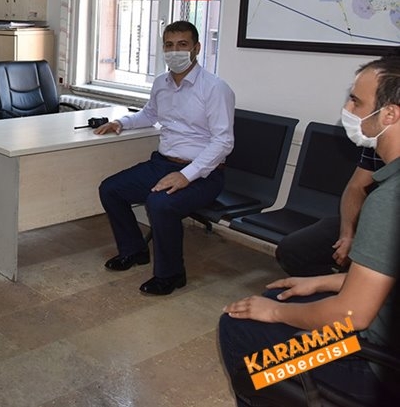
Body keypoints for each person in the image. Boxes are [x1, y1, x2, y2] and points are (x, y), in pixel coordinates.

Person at [218, 53, 400, 405]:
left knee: (240, 327)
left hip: (370, 363)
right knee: (290, 296)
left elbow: (351, 316)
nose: (347, 109)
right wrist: (324, 282)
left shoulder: (389, 200)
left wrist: (275, 313)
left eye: (356, 101)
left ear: (389, 114)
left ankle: (269, 387)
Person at [94, 21, 235, 295]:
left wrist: (186, 176)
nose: (175, 51)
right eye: (169, 45)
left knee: (160, 204)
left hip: (204, 174)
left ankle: (171, 274)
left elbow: (223, 141)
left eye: (182, 44)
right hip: (162, 163)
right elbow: (150, 114)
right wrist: (121, 122)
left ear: (196, 48)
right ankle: (134, 250)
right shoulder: (161, 83)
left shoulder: (215, 88)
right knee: (110, 189)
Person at [275, 147, 383, 276]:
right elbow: (356, 187)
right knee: (291, 251)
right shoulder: (376, 144)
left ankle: (355, 283)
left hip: (388, 228)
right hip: (369, 220)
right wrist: (347, 235)